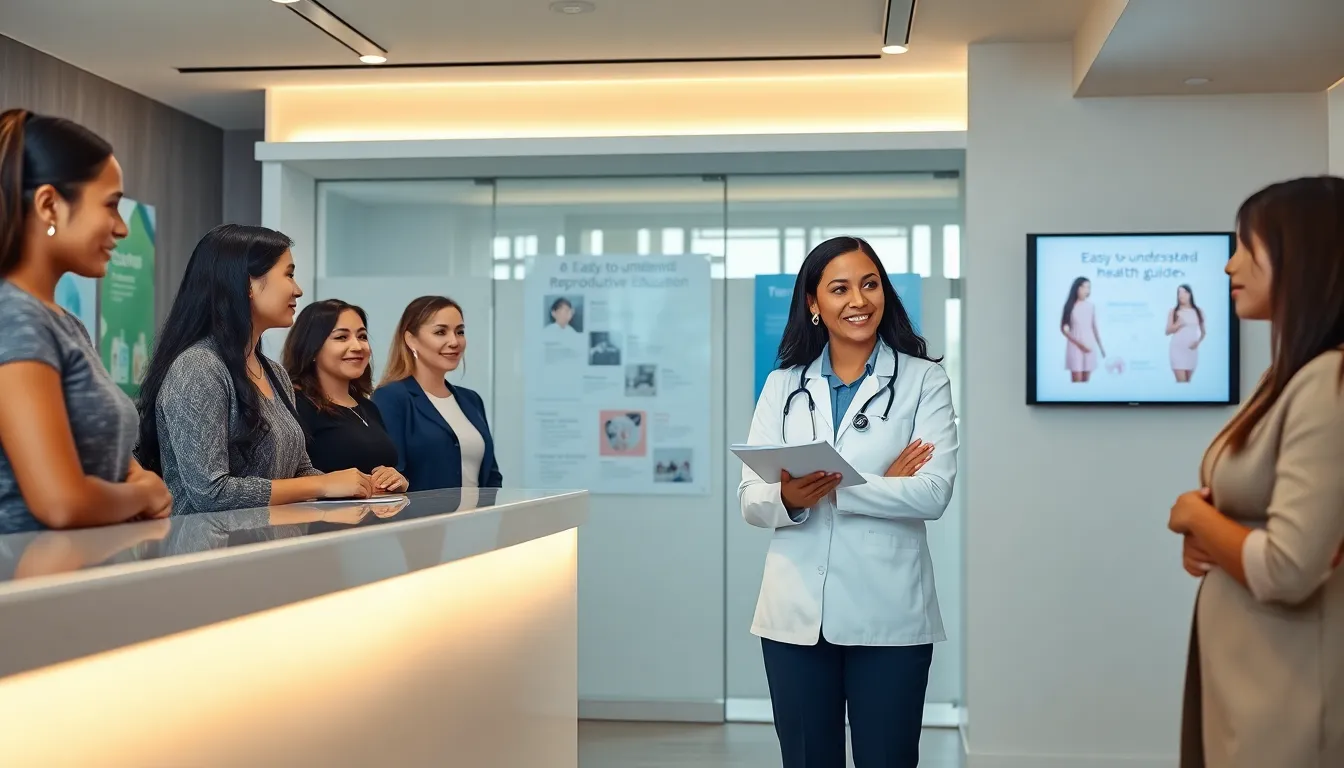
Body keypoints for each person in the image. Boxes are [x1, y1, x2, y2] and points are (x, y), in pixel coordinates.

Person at [738, 236, 958, 768]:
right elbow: (752, 498)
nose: (858, 300)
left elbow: (932, 492)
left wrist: (834, 484)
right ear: (814, 304)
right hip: (795, 615)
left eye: (869, 284)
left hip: (889, 611)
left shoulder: (923, 380)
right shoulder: (783, 385)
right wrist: (792, 496)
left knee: (888, 757)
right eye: (839, 289)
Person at [1168, 176, 1344, 768]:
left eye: (1247, 245)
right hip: (1248, 674)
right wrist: (1211, 538)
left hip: (1288, 691)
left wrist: (1193, 515)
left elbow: (1288, 568)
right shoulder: (1286, 378)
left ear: (1303, 254)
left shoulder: (1328, 385)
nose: (1228, 266)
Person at [0, 109, 171, 533]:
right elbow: (61, 502)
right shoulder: (14, 317)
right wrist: (144, 493)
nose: (121, 228)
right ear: (49, 205)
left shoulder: (65, 323)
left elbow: (107, 461)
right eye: (111, 205)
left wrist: (131, 480)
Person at [137, 225, 374, 515]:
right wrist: (323, 486)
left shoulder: (275, 373)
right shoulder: (198, 367)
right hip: (212, 554)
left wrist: (366, 485)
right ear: (248, 284)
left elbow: (299, 471)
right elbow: (211, 493)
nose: (297, 289)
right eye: (288, 274)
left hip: (270, 549)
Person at [373, 296, 502, 491]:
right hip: (421, 520)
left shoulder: (471, 400)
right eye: (441, 332)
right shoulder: (391, 398)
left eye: (460, 332)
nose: (454, 341)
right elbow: (390, 477)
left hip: (477, 520)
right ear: (411, 340)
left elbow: (491, 476)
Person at [281, 299, 408, 493]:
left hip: (379, 520)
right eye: (341, 337)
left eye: (363, 336)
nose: (357, 346)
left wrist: (398, 480)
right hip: (322, 521)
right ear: (312, 348)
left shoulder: (368, 408)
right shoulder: (295, 406)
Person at [1061, 276, 1105, 382]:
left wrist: (1101, 348)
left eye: (1088, 288)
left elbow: (1094, 328)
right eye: (1084, 287)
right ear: (1077, 288)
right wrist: (1081, 345)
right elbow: (1064, 329)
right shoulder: (1069, 306)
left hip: (1089, 346)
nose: (1086, 290)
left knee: (1086, 384)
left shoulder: (1091, 306)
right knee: (1077, 383)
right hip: (1075, 346)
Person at [1166, 284, 1205, 383]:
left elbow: (1203, 332)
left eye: (1184, 292)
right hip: (1177, 350)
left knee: (1188, 382)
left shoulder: (1198, 311)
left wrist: (1197, 342)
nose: (1181, 295)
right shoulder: (1174, 311)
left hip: (1191, 351)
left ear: (1190, 294)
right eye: (1179, 292)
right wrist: (1178, 324)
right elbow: (1167, 331)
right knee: (1181, 382)